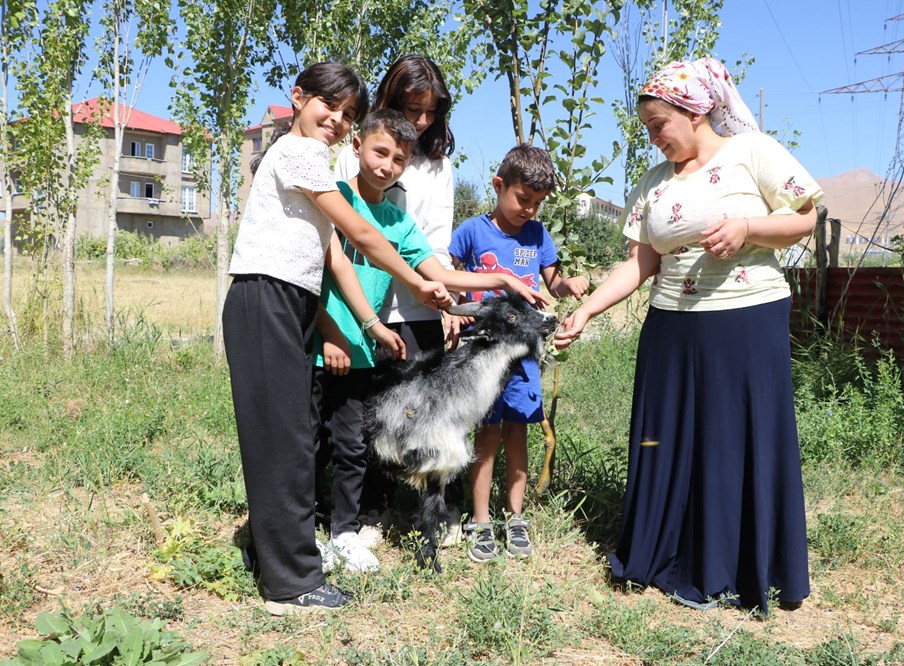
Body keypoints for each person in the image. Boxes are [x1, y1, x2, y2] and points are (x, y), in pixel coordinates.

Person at [554, 57, 821, 614]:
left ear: (695, 111)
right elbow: (639, 264)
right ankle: (664, 554)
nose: (654, 139)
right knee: (668, 438)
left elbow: (805, 218)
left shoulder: (752, 151)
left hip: (746, 319)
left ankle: (735, 567)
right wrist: (589, 312)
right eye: (648, 129)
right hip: (671, 325)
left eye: (660, 125)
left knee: (732, 440)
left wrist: (748, 227)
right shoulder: (654, 183)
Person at [222, 62, 450, 616]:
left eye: (349, 114)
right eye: (331, 106)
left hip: (290, 300)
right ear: (298, 98)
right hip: (266, 297)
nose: (339, 120)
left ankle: (283, 553)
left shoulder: (312, 160)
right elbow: (362, 234)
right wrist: (420, 280)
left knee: (293, 438)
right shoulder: (298, 152)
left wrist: (373, 319)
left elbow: (339, 264)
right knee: (282, 441)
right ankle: (290, 584)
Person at [314, 110, 549, 573]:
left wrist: (496, 277)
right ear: (356, 146)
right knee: (311, 437)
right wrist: (328, 332)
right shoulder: (333, 198)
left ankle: (341, 531)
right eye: (380, 152)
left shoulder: (398, 222)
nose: (387, 165)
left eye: (398, 159)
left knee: (350, 442)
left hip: (363, 344)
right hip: (323, 336)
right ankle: (301, 526)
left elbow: (435, 271)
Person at [332, 54, 462, 546]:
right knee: (371, 413)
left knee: (422, 412)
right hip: (363, 303)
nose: (422, 120)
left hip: (420, 303)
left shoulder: (439, 163)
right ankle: (371, 508)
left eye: (432, 111)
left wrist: (443, 300)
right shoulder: (359, 151)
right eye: (413, 107)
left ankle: (431, 505)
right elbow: (350, 231)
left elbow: (434, 240)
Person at [450, 144, 589, 563]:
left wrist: (570, 285)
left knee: (517, 432)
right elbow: (450, 276)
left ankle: (515, 517)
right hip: (483, 350)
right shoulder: (471, 231)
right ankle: (479, 520)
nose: (529, 210)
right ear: (499, 185)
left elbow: (553, 281)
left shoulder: (537, 235)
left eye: (537, 203)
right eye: (523, 200)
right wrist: (450, 313)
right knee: (486, 435)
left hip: (524, 354)